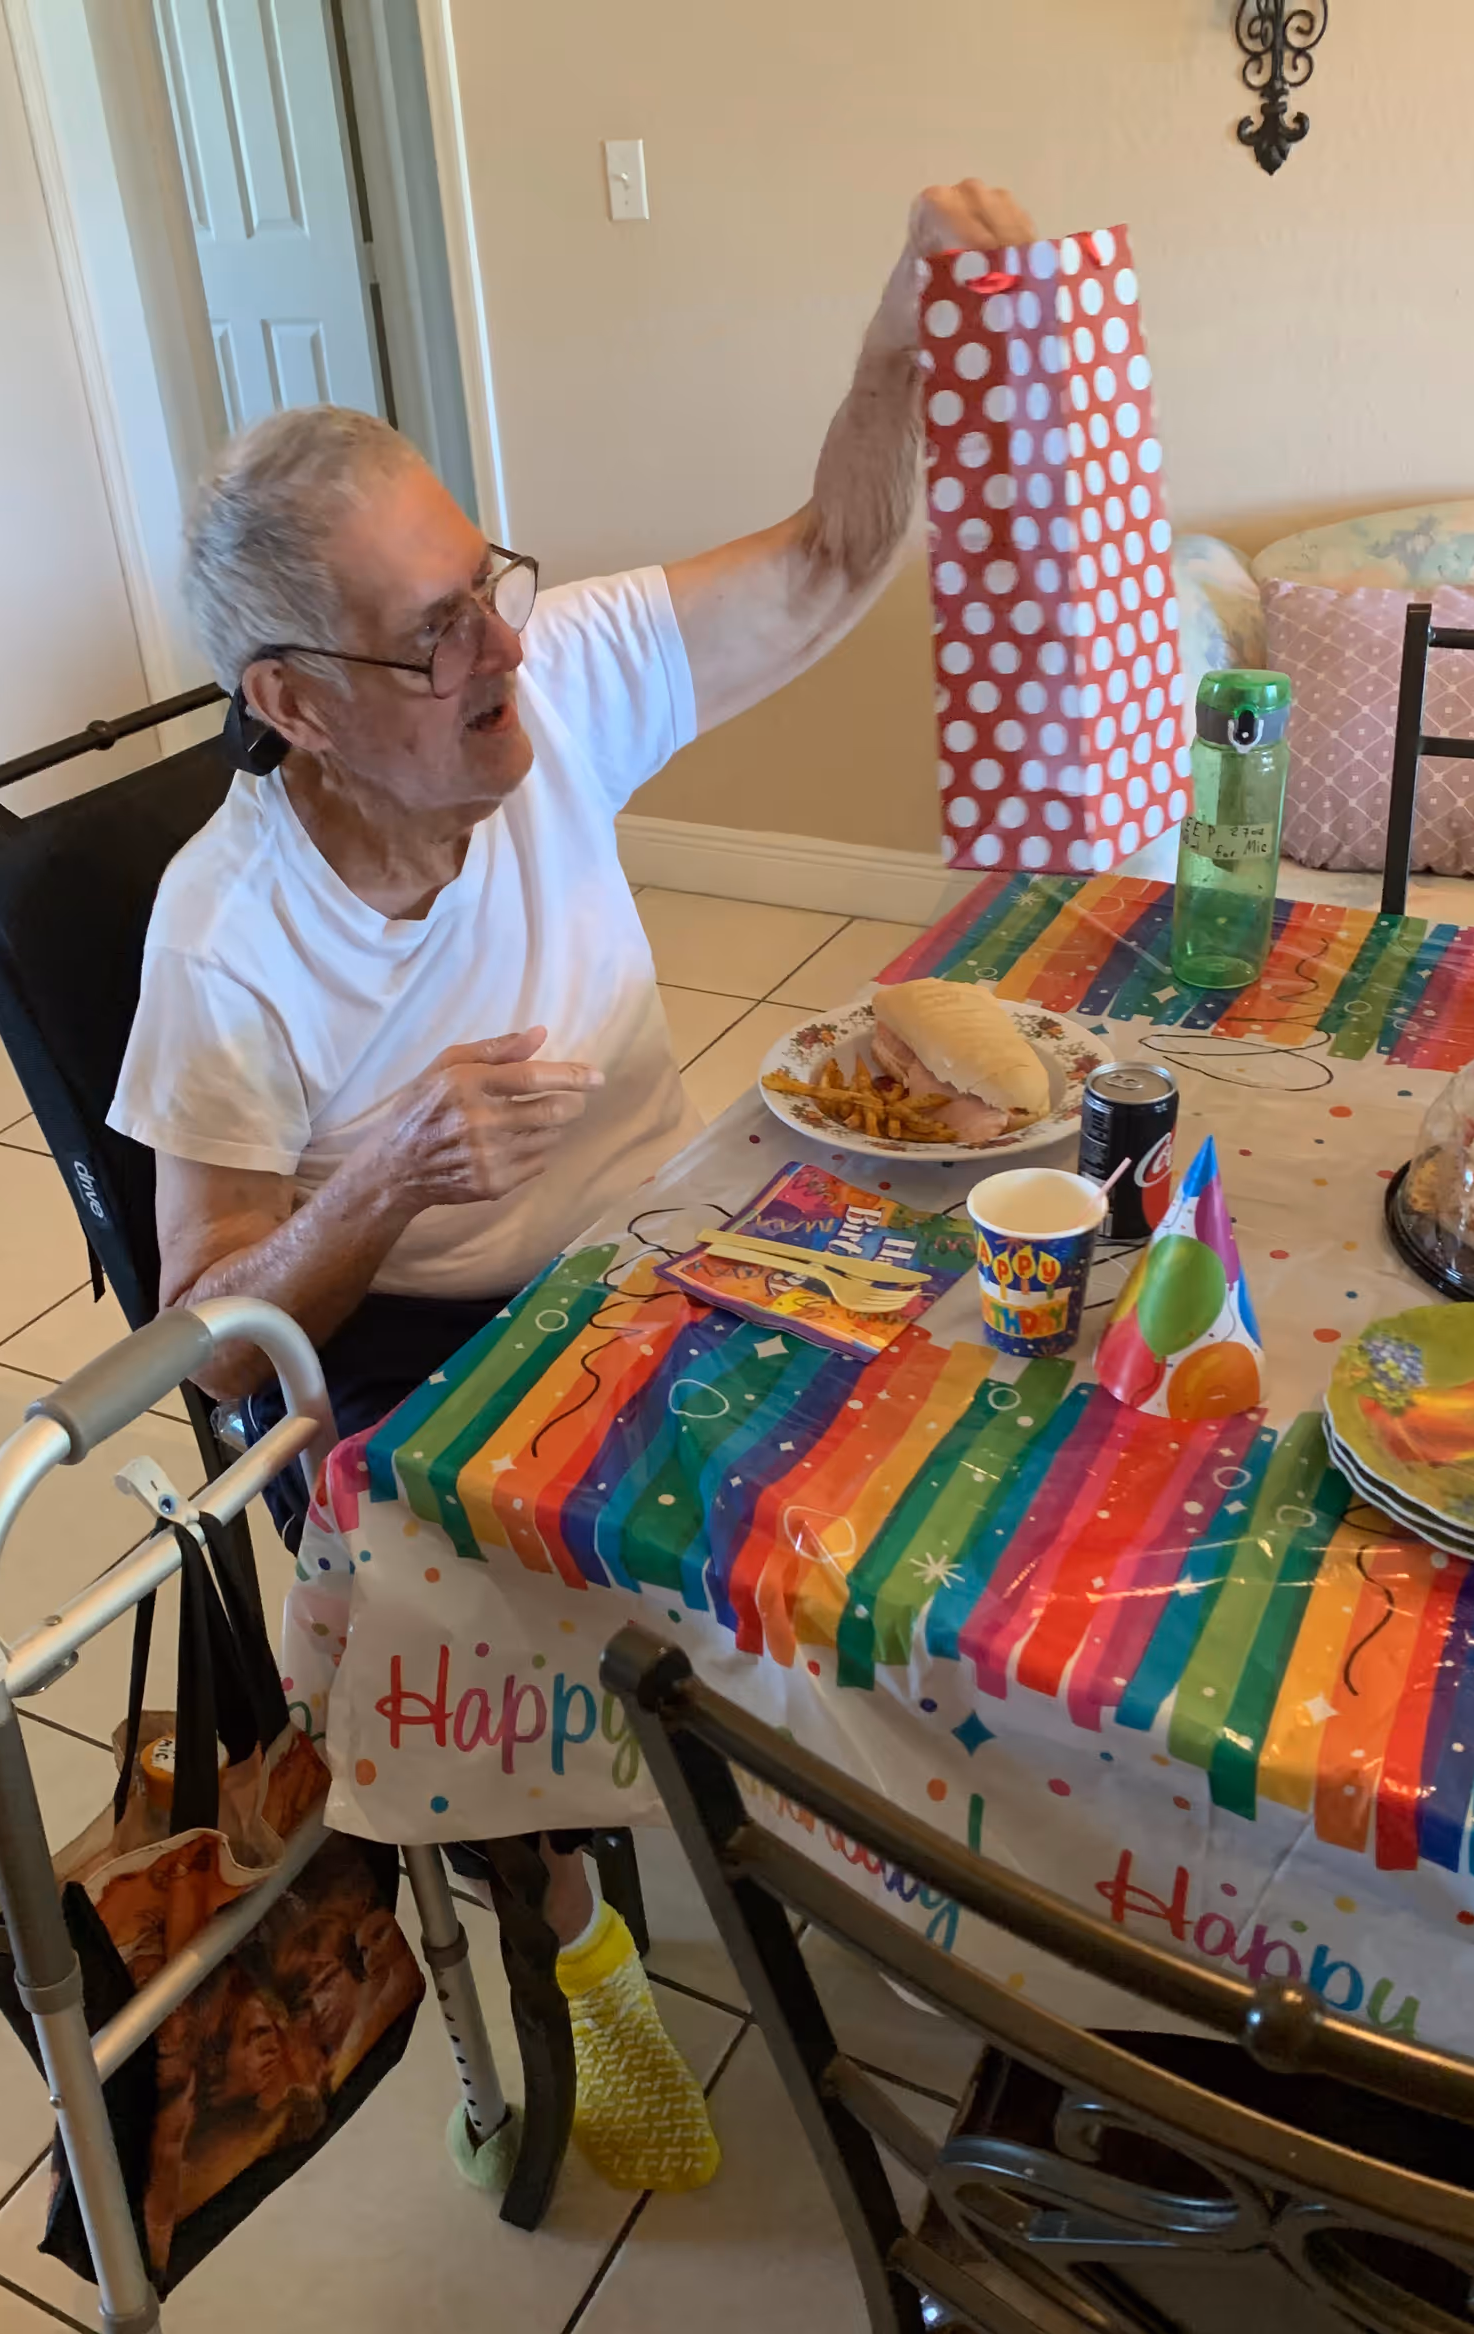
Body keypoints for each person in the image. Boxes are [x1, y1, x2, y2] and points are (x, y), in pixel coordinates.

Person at [111, 179, 1038, 2190]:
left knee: (987, 1430)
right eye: (427, 630)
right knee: (524, 1588)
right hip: (428, 1351)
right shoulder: (225, 935)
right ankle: (566, 1925)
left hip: (681, 1243)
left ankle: (925, 1862)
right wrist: (380, 1177)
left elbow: (832, 554)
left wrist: (893, 339)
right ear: (293, 700)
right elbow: (204, 1349)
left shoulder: (557, 683)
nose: (500, 646)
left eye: (487, 579)